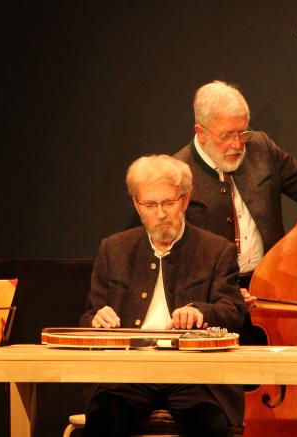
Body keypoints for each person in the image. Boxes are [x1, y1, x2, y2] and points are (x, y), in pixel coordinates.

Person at [81, 155, 247, 436]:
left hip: (195, 376)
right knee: (104, 419)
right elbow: (87, 318)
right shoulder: (114, 249)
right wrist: (97, 319)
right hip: (129, 374)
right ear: (136, 204)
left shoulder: (217, 250)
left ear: (184, 200)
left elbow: (233, 311)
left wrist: (200, 312)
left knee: (209, 424)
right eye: (150, 205)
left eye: (168, 203)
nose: (160, 214)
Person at [173, 80, 297, 290]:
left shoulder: (261, 147)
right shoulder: (177, 171)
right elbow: (174, 257)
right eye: (226, 135)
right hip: (215, 296)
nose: (237, 144)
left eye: (242, 133)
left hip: (271, 286)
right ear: (201, 132)